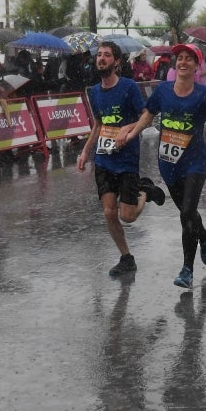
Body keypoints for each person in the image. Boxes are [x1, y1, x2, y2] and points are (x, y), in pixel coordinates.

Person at [120, 43, 206, 289]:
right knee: (188, 213)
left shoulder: (203, 94)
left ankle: (187, 270)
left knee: (187, 212)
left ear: (197, 66)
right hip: (169, 164)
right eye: (180, 58)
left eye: (189, 58)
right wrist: (132, 133)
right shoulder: (163, 90)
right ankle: (204, 236)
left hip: (195, 163)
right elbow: (148, 116)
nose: (183, 62)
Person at [77, 42, 166, 277]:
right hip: (104, 159)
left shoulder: (128, 87)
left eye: (107, 55)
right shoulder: (95, 92)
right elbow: (99, 124)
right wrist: (85, 152)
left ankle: (145, 191)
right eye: (99, 55)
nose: (101, 58)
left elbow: (145, 117)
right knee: (109, 212)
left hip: (127, 159)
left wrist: (126, 128)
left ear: (117, 62)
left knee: (127, 216)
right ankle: (126, 257)